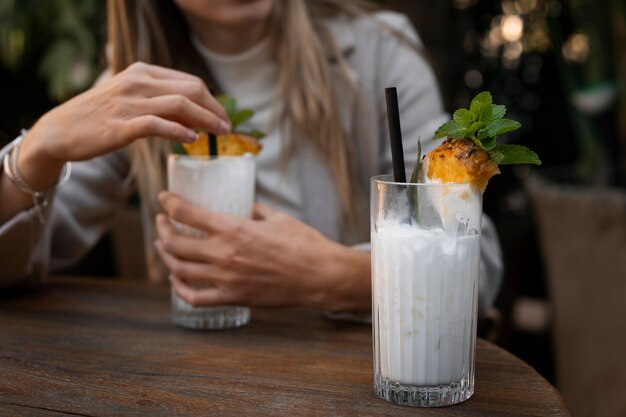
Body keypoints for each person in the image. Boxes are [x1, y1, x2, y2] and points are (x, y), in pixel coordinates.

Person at [0, 0, 502, 315]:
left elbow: (476, 265)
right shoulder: (134, 88)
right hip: (199, 375)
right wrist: (37, 151)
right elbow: (19, 261)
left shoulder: (380, 55)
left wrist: (331, 276)